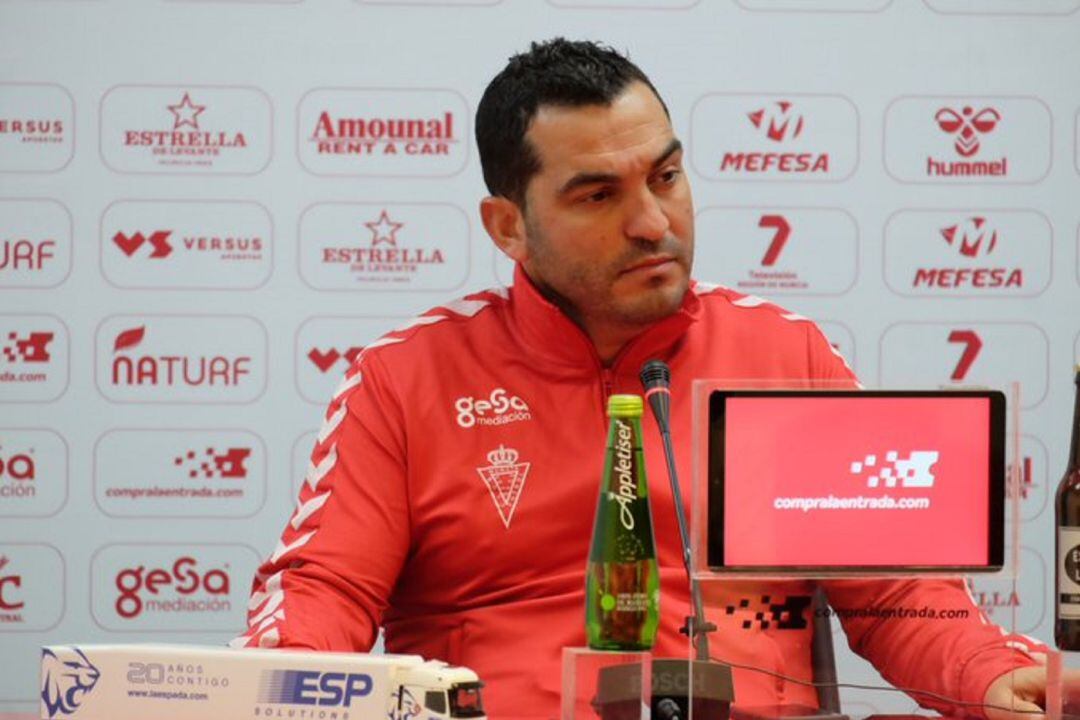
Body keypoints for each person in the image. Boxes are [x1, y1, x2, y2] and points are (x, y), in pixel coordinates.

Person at [234, 39, 1054, 719]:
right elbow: (323, 590)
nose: (653, 223)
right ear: (509, 226)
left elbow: (898, 592)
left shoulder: (783, 357)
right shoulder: (407, 376)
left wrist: (987, 675)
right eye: (598, 195)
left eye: (665, 177)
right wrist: (265, 691)